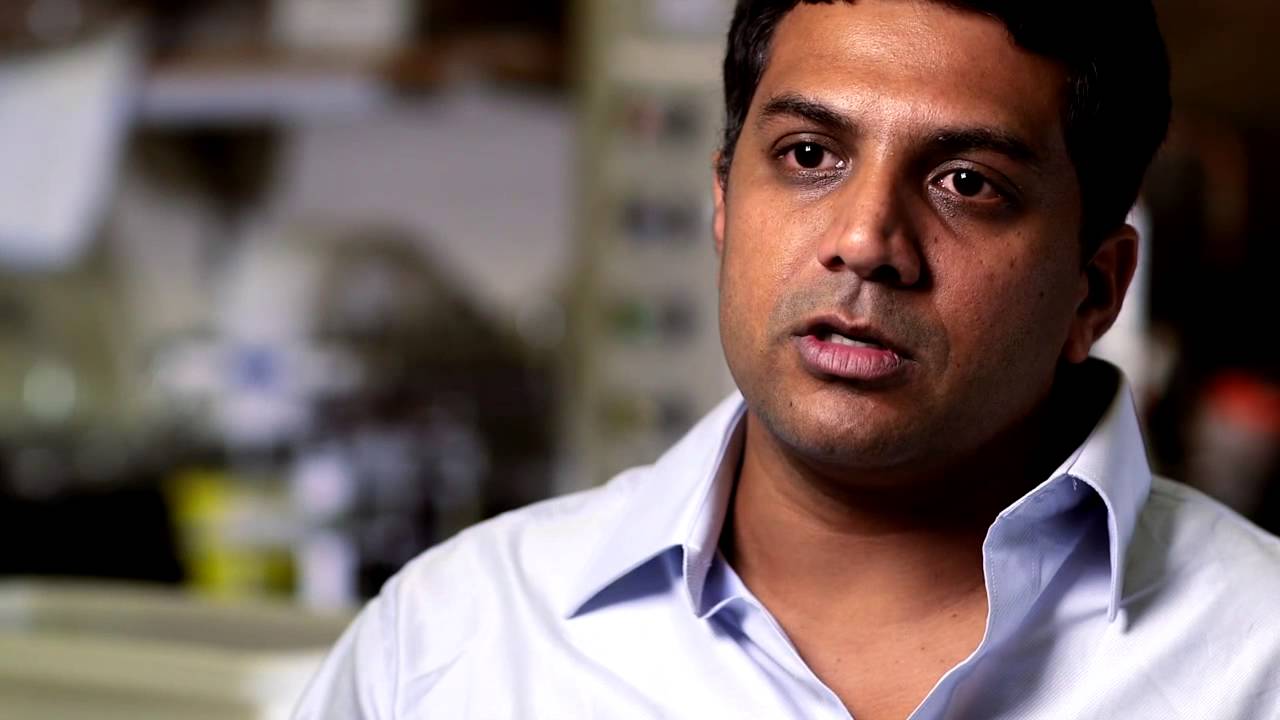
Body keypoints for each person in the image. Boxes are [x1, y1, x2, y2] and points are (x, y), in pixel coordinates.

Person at [294, 1, 1280, 718]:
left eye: (966, 182)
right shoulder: (452, 643)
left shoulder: (1253, 660)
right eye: (809, 155)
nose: (865, 240)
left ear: (1095, 288)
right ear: (724, 202)